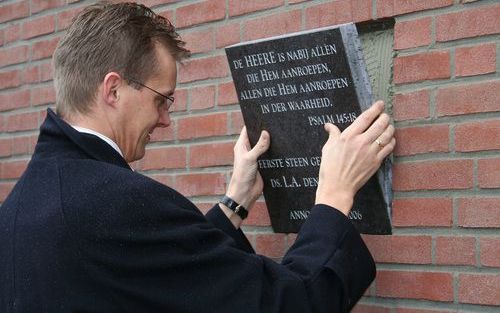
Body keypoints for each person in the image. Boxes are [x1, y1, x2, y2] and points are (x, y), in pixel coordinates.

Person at [0, 2, 395, 313]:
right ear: (113, 90)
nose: (166, 120)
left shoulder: (20, 206)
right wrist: (333, 197)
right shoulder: (119, 202)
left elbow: (156, 273)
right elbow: (290, 302)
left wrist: (233, 205)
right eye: (161, 100)